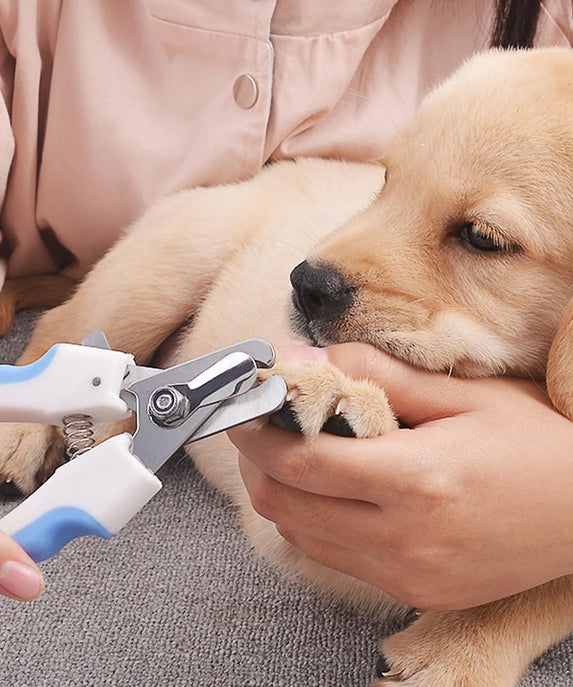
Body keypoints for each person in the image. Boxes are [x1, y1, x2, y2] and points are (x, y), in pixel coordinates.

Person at [0, 0, 571, 603]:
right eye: (388, 180)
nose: (321, 269)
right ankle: (63, 362)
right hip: (238, 240)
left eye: (482, 237)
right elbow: (284, 524)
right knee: (196, 232)